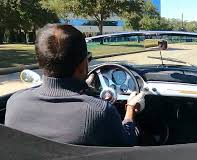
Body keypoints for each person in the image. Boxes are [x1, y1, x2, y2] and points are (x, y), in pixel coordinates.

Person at [5, 24, 144, 146]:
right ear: (83, 65)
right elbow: (128, 141)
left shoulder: (14, 104)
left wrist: (85, 88)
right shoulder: (100, 112)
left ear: (40, 62)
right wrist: (130, 110)